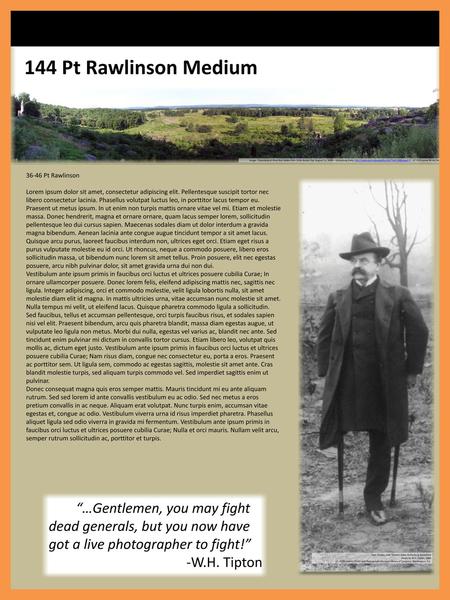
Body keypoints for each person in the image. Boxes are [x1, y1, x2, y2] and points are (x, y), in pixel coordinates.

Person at [317, 232, 428, 525]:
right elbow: (324, 336)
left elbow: (419, 332)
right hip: (347, 383)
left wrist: (412, 370)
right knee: (339, 433)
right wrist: (324, 374)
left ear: (379, 264)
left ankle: (373, 497)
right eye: (355, 260)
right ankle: (342, 493)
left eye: (364, 260)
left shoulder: (398, 295)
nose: (358, 265)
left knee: (382, 438)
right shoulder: (337, 298)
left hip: (384, 383)